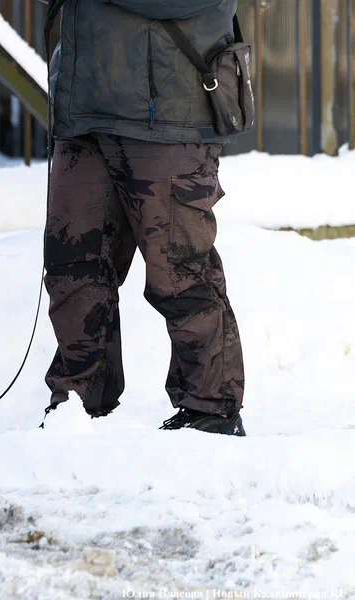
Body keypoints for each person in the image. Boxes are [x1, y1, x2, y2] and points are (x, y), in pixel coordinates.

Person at [42, 0, 246, 435]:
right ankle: (78, 406)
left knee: (180, 271)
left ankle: (210, 410)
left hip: (170, 114)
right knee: (73, 268)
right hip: (83, 111)